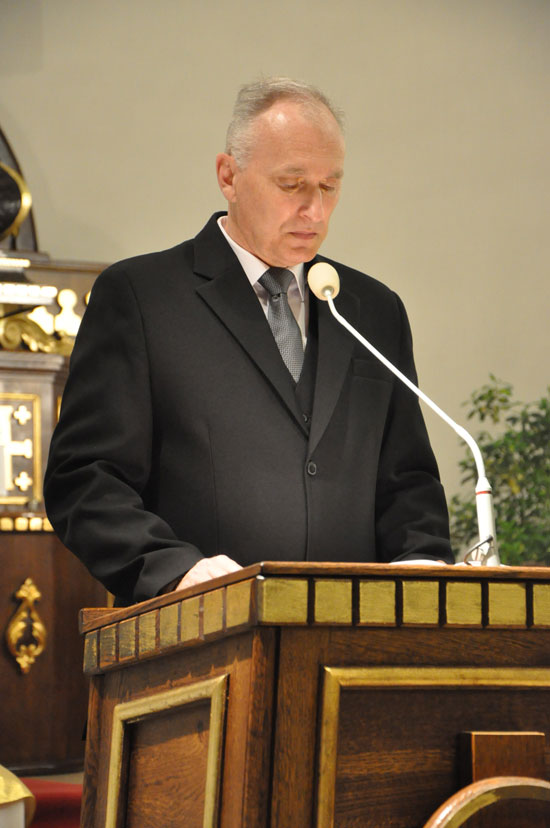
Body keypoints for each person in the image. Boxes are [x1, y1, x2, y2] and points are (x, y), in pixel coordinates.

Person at [44, 77, 453, 606]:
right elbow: (85, 478)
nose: (315, 211)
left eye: (329, 187)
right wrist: (176, 570)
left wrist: (421, 563)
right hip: (201, 630)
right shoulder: (142, 298)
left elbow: (408, 481)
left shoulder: (373, 311)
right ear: (228, 176)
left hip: (353, 634)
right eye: (292, 184)